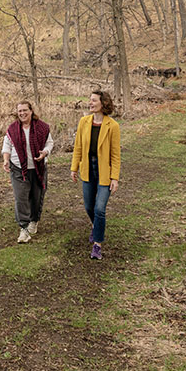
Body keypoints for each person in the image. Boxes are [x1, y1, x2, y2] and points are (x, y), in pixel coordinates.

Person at [70, 90, 121, 260]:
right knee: (88, 207)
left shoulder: (112, 125)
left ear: (103, 103)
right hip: (87, 169)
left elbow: (115, 154)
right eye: (89, 100)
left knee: (100, 208)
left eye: (93, 100)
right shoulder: (84, 122)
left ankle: (97, 244)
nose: (90, 103)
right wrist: (74, 168)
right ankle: (96, 227)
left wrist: (115, 178)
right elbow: (78, 147)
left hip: (104, 171)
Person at [2, 100, 54, 243]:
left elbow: (50, 143)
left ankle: (34, 220)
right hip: (18, 169)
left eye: (25, 110)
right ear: (17, 113)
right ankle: (23, 228)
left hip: (38, 168)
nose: (22, 113)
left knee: (36, 197)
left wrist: (45, 152)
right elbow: (7, 146)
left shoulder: (42, 127)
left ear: (31, 111)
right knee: (21, 197)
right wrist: (6, 160)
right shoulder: (12, 129)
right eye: (20, 111)